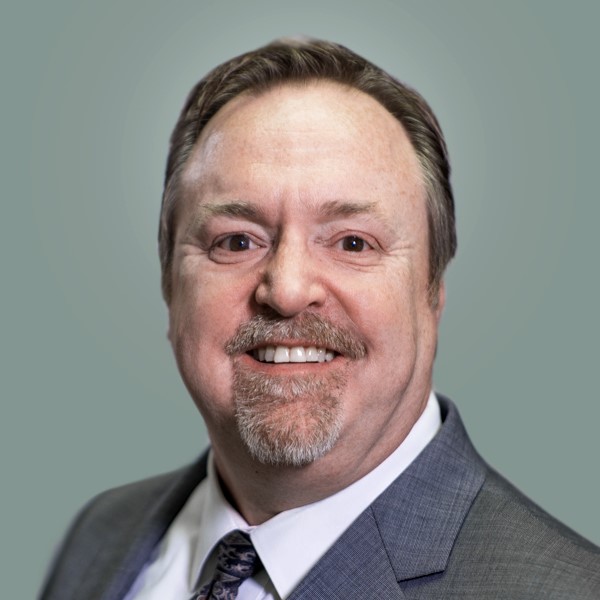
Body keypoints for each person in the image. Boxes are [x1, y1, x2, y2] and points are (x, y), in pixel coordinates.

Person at [40, 38, 600, 600]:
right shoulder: (99, 540)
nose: (286, 291)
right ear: (169, 284)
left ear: (432, 292)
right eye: (236, 241)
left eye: (353, 242)